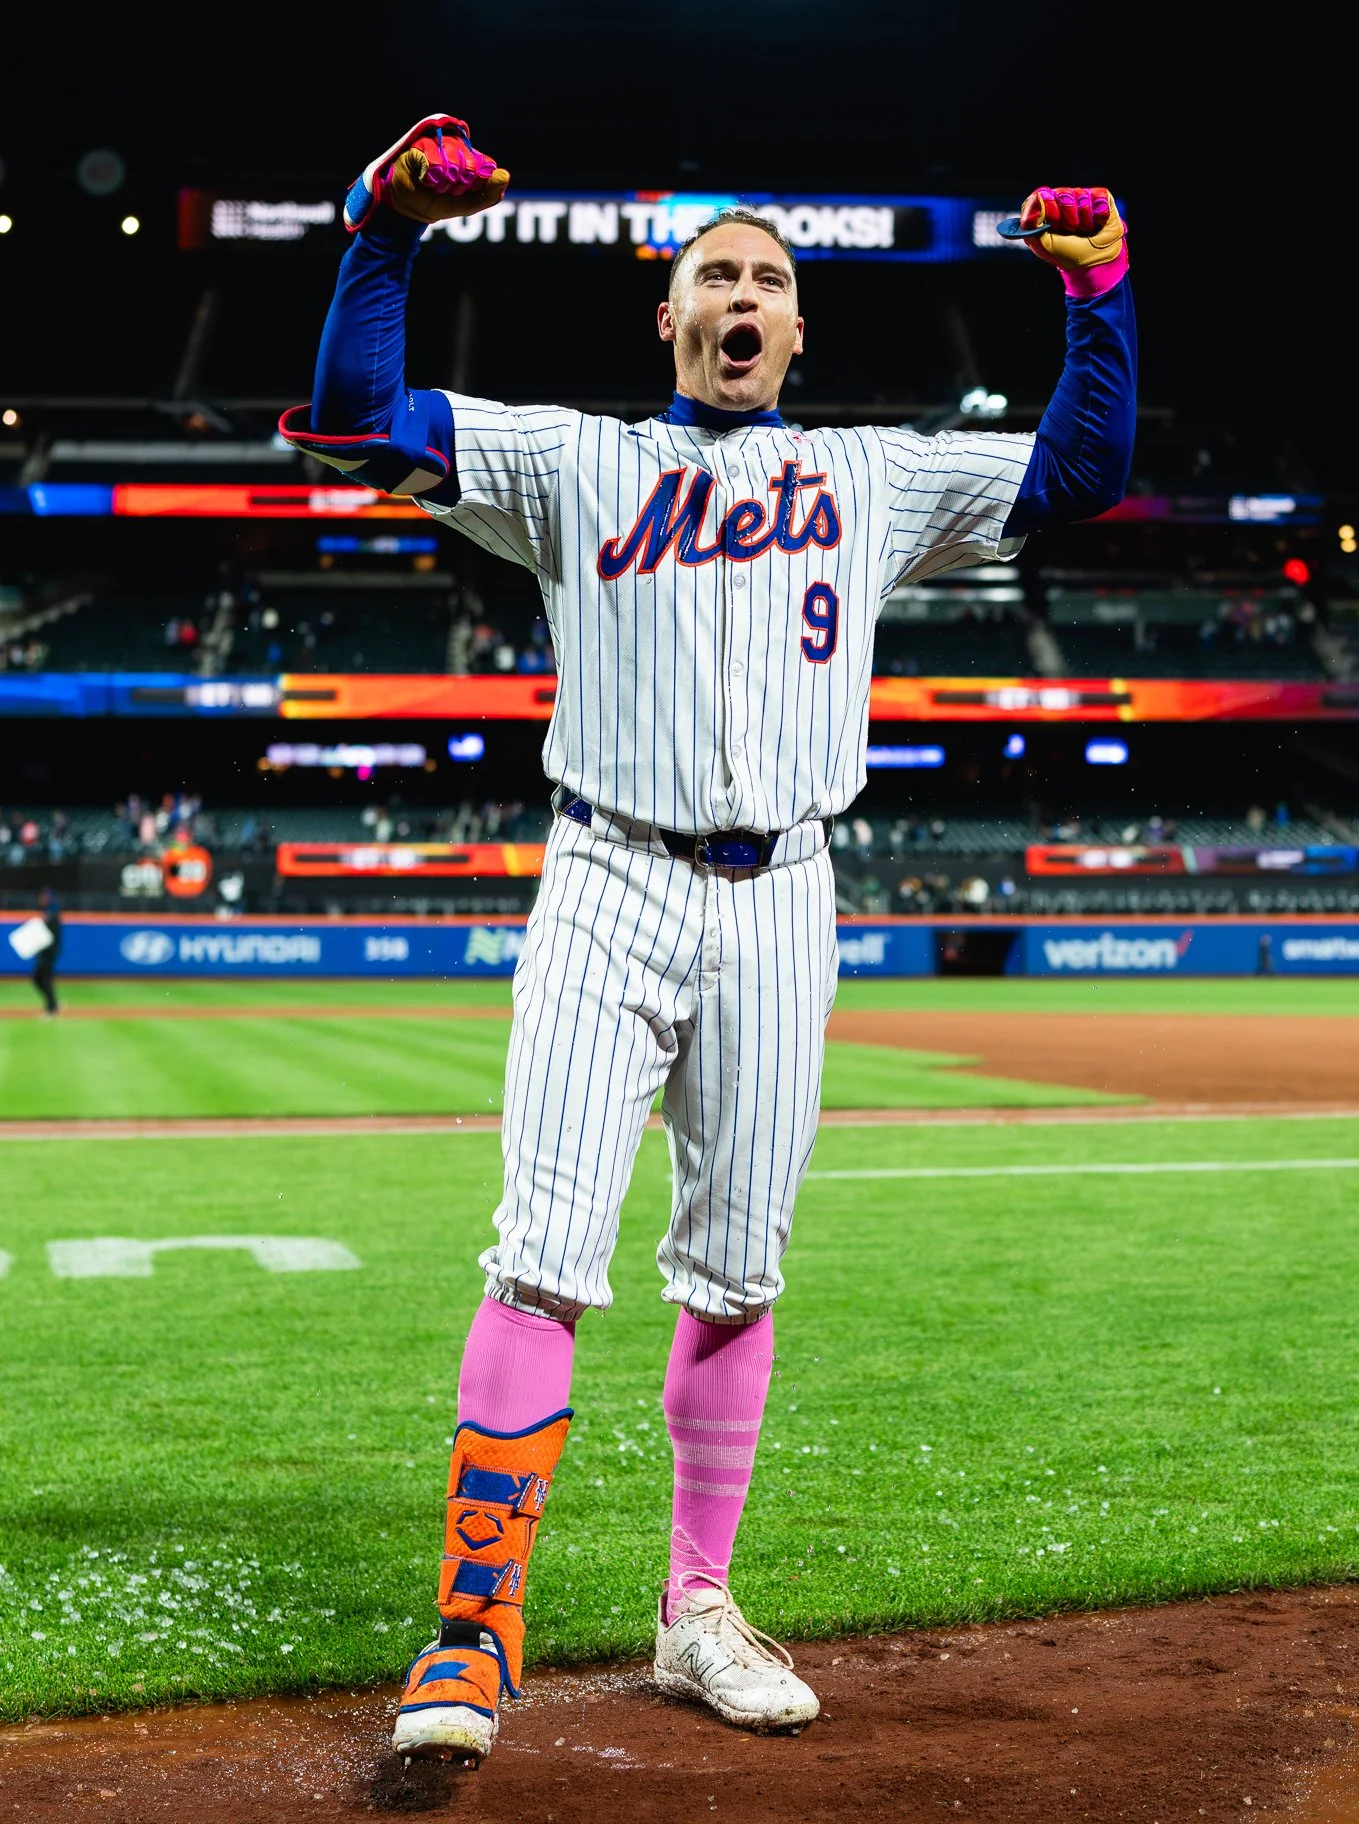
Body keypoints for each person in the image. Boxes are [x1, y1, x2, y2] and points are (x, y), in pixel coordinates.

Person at [280, 117, 1136, 1766]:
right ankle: (474, 1626)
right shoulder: (573, 462)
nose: (744, 295)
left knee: (738, 1274)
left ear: (798, 327)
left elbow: (1078, 474)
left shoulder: (872, 476)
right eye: (716, 277)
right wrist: (381, 228)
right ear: (667, 318)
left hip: (788, 893)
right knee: (542, 1252)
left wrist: (1098, 292)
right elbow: (354, 420)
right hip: (609, 873)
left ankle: (696, 1611)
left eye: (769, 279)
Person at [31, 885, 62, 1017]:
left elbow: (48, 931)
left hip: (50, 952)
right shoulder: (48, 910)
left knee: (44, 979)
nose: (41, 899)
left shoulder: (53, 909)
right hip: (44, 952)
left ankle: (52, 1008)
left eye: (43, 896)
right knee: (38, 978)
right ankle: (53, 1003)